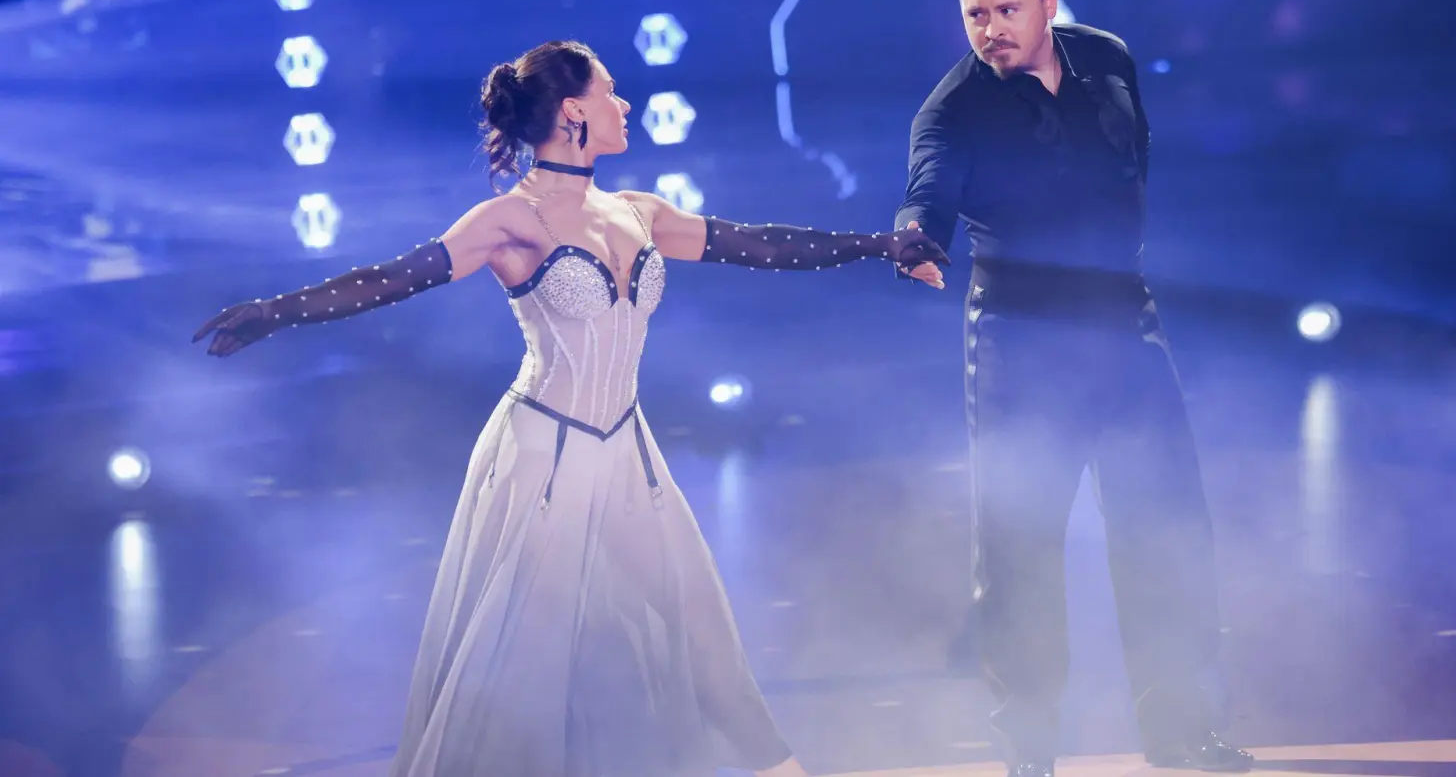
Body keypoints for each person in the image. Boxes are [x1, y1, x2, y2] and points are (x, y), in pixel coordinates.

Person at [193, 39, 949, 777]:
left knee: (696, 626)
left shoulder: (637, 210)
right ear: (571, 113)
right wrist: (276, 310)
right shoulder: (508, 219)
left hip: (626, 448)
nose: (624, 104)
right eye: (609, 93)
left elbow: (758, 244)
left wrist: (882, 245)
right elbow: (397, 277)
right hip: (543, 455)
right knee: (522, 669)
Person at [892, 0, 1254, 774]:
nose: (991, 30)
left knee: (1165, 533)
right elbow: (928, 184)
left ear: (1048, 0)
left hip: (1127, 326)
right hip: (1022, 345)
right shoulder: (953, 110)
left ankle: (1183, 733)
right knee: (1019, 551)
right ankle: (1030, 754)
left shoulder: (1109, 59)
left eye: (1007, 9)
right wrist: (917, 236)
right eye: (975, 15)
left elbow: (1138, 165)